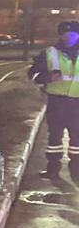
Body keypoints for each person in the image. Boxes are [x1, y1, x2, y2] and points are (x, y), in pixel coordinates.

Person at [28, 19, 79, 180]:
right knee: (55, 137)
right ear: (60, 35)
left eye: (73, 34)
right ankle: (52, 169)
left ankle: (77, 170)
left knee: (77, 138)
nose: (69, 37)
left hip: (78, 103)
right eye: (65, 34)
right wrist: (47, 77)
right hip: (57, 102)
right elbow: (33, 74)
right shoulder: (50, 53)